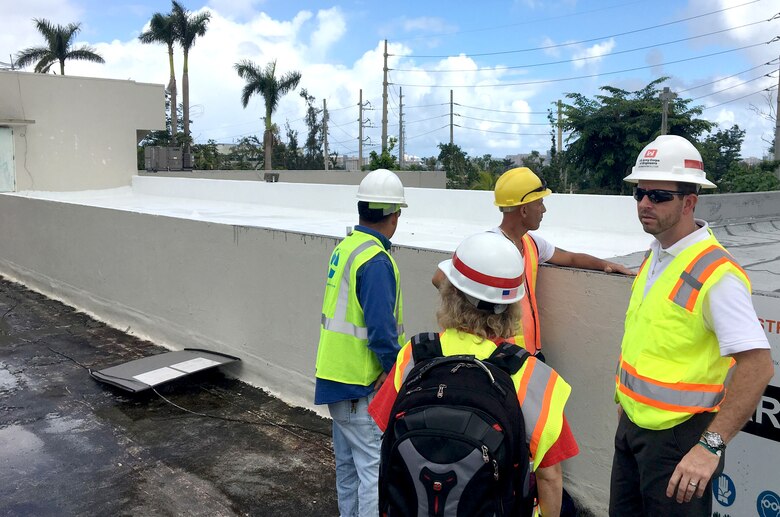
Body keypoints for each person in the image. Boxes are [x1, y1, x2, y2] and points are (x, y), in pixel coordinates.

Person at [610, 135, 774, 516]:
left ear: (689, 201)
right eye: (639, 194)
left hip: (680, 440)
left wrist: (710, 446)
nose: (645, 203)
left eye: (659, 195)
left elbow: (758, 366)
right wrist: (625, 400)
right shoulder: (657, 254)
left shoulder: (717, 273)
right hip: (634, 428)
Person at [370, 232, 579, 516]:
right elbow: (550, 477)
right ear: (513, 307)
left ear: (450, 294)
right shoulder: (533, 377)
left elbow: (385, 429)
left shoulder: (415, 355)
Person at [433, 167, 634, 359]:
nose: (543, 209)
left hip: (529, 352)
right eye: (539, 203)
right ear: (523, 210)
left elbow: (570, 258)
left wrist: (605, 265)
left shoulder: (531, 243)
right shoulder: (488, 248)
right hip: (498, 354)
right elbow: (440, 278)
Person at [314, 168, 408, 517]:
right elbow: (382, 332)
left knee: (349, 470)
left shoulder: (346, 247)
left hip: (335, 379)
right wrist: (394, 371)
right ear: (393, 215)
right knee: (373, 471)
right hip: (361, 385)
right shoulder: (376, 260)